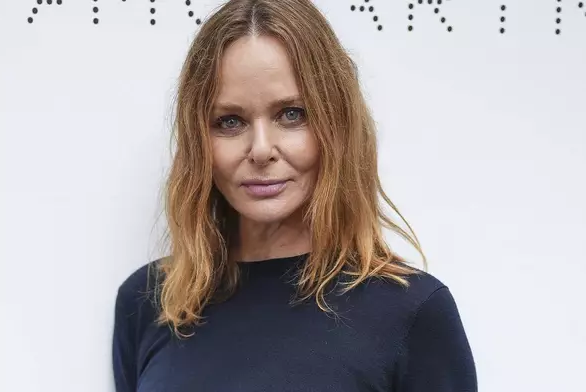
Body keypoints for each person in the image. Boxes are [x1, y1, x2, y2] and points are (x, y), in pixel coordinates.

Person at [112, 0, 477, 391]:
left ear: (335, 125)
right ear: (199, 140)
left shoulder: (413, 312)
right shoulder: (149, 302)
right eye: (229, 121)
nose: (261, 149)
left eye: (291, 114)